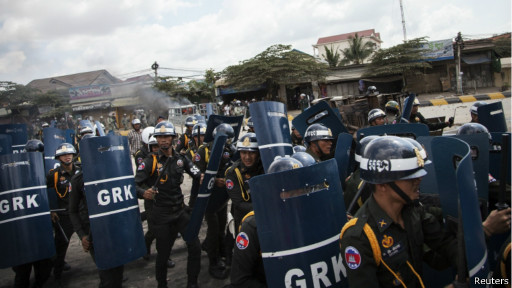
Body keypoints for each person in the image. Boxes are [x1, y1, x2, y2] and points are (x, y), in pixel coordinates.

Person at [339, 136, 459, 287]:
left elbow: (445, 244)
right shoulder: (359, 237)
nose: (419, 180)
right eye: (409, 177)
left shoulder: (412, 210)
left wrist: (484, 232)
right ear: (382, 184)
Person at [134, 121, 202, 288]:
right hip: (161, 215)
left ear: (173, 138)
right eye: (160, 137)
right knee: (163, 254)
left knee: (195, 247)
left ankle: (192, 283)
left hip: (180, 211)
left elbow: (197, 174)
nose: (163, 140)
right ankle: (162, 284)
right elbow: (133, 185)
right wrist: (144, 193)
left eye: (166, 136)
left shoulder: (181, 158)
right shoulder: (149, 161)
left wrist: (203, 178)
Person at [229, 157, 303, 288]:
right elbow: (240, 279)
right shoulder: (252, 226)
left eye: (298, 188)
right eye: (288, 189)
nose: (295, 194)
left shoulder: (307, 216)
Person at [68, 134, 125, 288]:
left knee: (118, 271)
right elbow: (72, 211)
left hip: (114, 230)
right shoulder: (78, 179)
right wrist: (82, 236)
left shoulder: (112, 171)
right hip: (94, 233)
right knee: (106, 276)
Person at [193, 123, 236, 280]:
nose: (227, 143)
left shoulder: (230, 150)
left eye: (229, 140)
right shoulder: (203, 150)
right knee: (213, 229)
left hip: (223, 196)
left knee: (221, 227)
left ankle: (220, 251)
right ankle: (213, 262)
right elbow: (198, 174)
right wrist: (214, 179)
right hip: (208, 197)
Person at [12, 140, 53, 288]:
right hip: (23, 224)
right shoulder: (18, 173)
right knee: (22, 270)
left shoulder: (45, 170)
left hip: (42, 220)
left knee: (44, 266)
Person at [46, 143, 80, 283]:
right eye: (64, 155)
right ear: (58, 158)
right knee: (60, 246)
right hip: (64, 216)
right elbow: (48, 194)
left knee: (94, 241)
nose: (67, 157)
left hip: (80, 213)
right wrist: (52, 210)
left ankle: (108, 272)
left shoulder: (80, 171)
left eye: (69, 154)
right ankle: (56, 276)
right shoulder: (53, 175)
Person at [225, 133, 264, 232]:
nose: (247, 157)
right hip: (244, 220)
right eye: (244, 152)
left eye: (252, 153)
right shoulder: (233, 173)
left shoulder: (265, 167)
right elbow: (239, 203)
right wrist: (264, 209)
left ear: (258, 153)